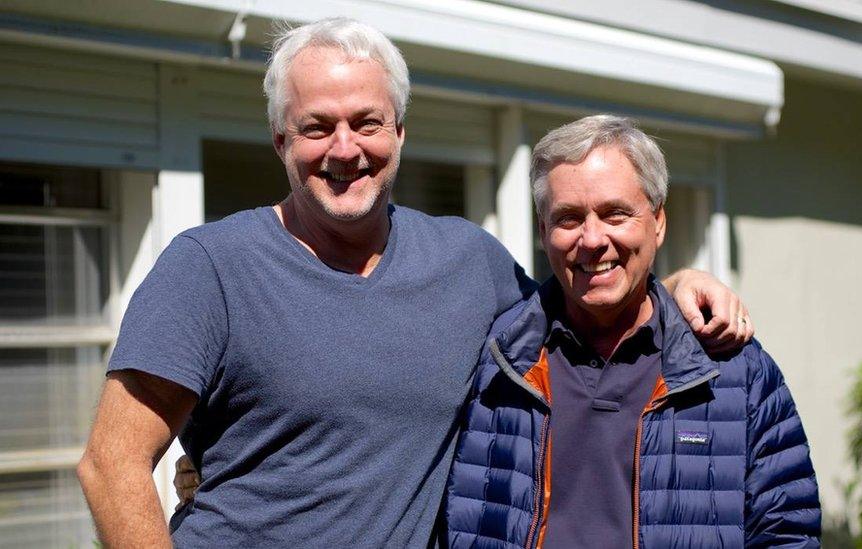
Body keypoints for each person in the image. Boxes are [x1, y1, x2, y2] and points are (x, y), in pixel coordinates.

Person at [76, 18, 753, 548]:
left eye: (367, 122)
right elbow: (112, 464)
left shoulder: (469, 262)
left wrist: (674, 284)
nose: (346, 148)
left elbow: (588, 308)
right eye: (317, 126)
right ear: (281, 140)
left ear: (399, 132)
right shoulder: (210, 267)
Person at [442, 115, 820, 548]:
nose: (592, 239)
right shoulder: (494, 361)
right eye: (568, 218)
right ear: (543, 233)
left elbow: (786, 534)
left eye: (615, 213)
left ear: (658, 222)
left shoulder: (736, 372)